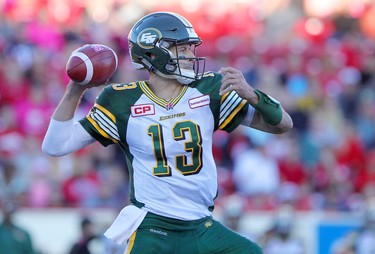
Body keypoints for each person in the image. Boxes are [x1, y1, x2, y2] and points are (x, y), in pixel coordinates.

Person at [42, 11, 293, 254]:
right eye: (181, 48)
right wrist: (76, 89)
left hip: (200, 227)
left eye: (189, 48)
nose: (189, 55)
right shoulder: (121, 100)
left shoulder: (210, 89)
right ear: (154, 52)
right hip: (153, 228)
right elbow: (55, 145)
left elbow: (283, 124)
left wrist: (253, 95)